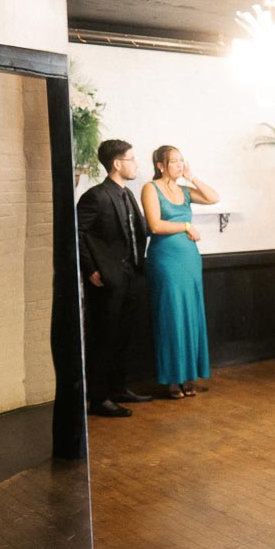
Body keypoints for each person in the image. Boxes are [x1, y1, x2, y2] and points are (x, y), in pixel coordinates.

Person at [77, 140, 153, 417]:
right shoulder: (96, 196)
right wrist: (90, 269)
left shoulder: (128, 194)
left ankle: (119, 388)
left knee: (123, 336)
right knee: (103, 337)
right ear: (117, 164)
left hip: (131, 275)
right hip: (106, 279)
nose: (136, 164)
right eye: (131, 159)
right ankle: (99, 399)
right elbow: (78, 233)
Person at [141, 145, 218, 399]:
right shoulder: (150, 188)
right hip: (165, 259)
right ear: (160, 165)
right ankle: (171, 379)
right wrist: (185, 224)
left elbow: (213, 197)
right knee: (171, 315)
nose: (179, 165)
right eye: (174, 161)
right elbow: (155, 224)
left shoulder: (184, 191)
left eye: (181, 161)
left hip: (189, 260)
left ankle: (188, 376)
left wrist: (192, 176)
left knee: (190, 315)